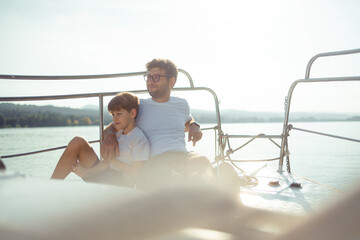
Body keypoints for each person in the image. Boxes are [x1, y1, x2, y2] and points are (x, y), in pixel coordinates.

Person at [101, 59, 218, 190]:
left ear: (171, 81)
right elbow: (114, 125)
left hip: (182, 156)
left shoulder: (181, 104)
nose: (150, 81)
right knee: (171, 177)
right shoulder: (140, 106)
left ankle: (215, 203)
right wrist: (110, 136)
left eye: (156, 77)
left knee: (202, 162)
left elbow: (188, 119)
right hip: (155, 161)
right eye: (148, 77)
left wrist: (194, 125)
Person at [51, 92, 149, 187]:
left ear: (132, 113)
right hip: (107, 174)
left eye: (119, 114)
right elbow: (106, 163)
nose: (115, 119)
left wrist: (112, 160)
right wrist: (87, 173)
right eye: (113, 115)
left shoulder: (138, 139)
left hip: (121, 183)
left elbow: (135, 173)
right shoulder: (118, 135)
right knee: (78, 142)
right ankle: (50, 186)